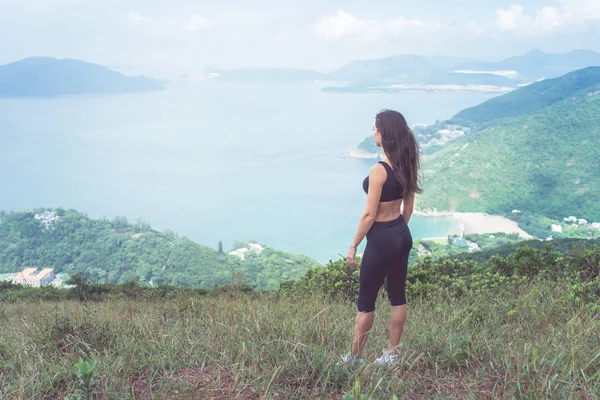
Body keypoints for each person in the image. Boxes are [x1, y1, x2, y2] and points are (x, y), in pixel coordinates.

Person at [341, 109, 422, 366]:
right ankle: (392, 355)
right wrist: (397, 234)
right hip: (401, 232)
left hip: (382, 237)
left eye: (375, 127)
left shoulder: (379, 170)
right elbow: (407, 209)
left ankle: (354, 359)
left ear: (383, 133)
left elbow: (368, 215)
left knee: (366, 301)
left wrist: (353, 246)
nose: (372, 131)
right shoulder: (407, 163)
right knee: (397, 295)